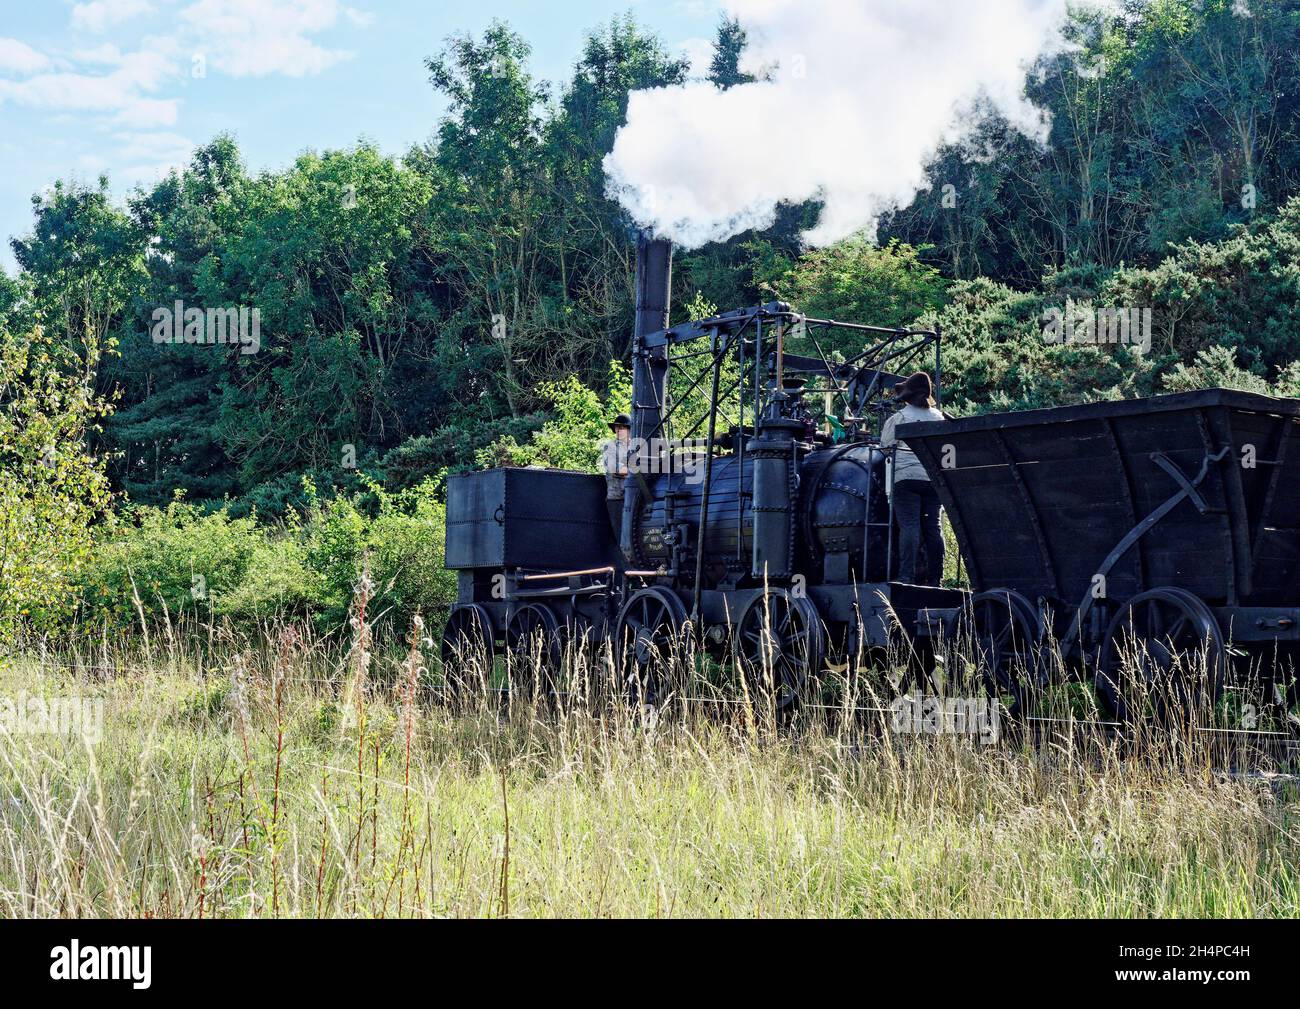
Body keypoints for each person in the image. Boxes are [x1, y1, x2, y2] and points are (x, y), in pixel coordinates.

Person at [880, 373, 945, 586]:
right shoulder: (939, 417)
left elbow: (885, 448)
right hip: (933, 479)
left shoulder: (899, 418)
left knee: (909, 526)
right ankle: (936, 577)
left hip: (906, 479)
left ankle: (906, 575)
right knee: (933, 527)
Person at [601, 413, 632, 545]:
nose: (618, 430)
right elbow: (615, 469)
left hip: (634, 499)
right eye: (617, 427)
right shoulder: (610, 447)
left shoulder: (637, 447)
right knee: (621, 537)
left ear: (630, 430)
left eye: (622, 427)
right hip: (617, 498)